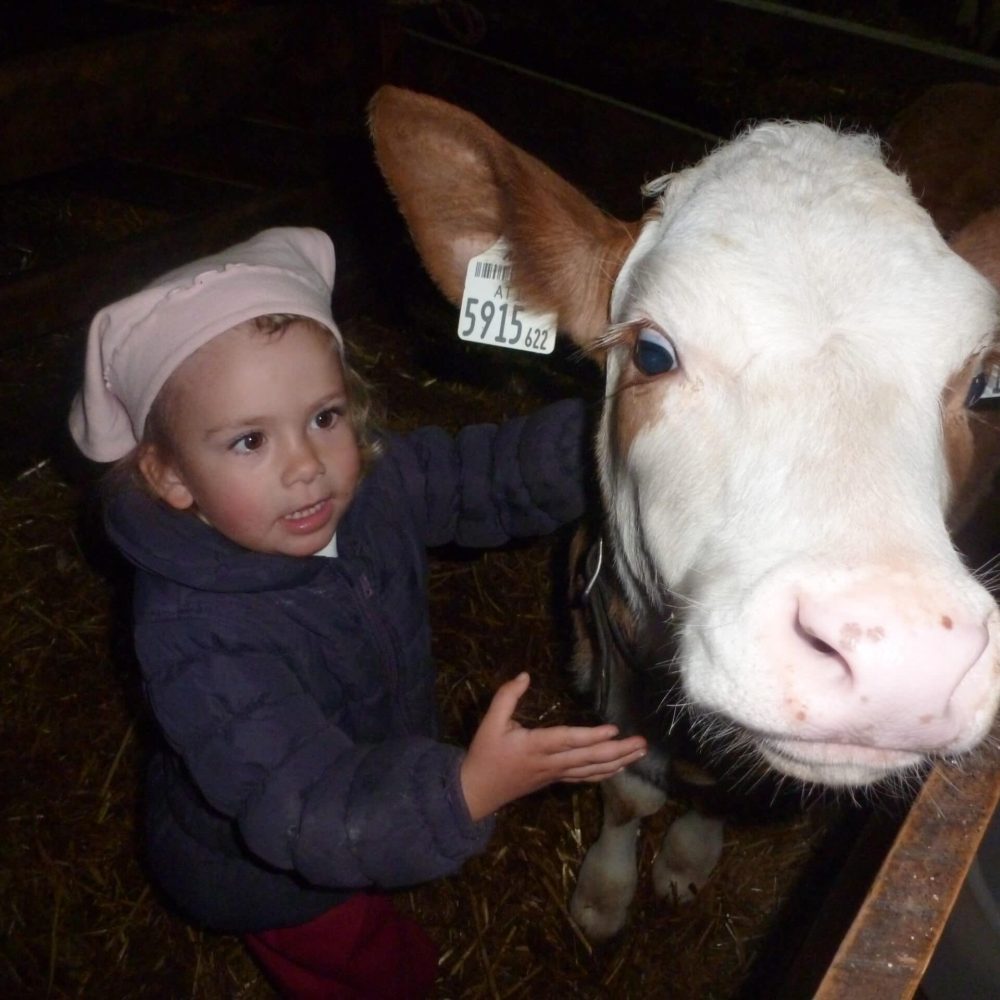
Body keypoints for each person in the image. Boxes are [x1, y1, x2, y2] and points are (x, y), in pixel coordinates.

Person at [68, 227, 647, 999]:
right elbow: (305, 809)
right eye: (248, 440)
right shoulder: (199, 641)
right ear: (170, 476)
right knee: (364, 969)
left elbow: (485, 476)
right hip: (274, 873)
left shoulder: (359, 488)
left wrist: (618, 434)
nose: (305, 466)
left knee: (379, 895)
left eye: (324, 417)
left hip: (374, 772)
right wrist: (461, 794)